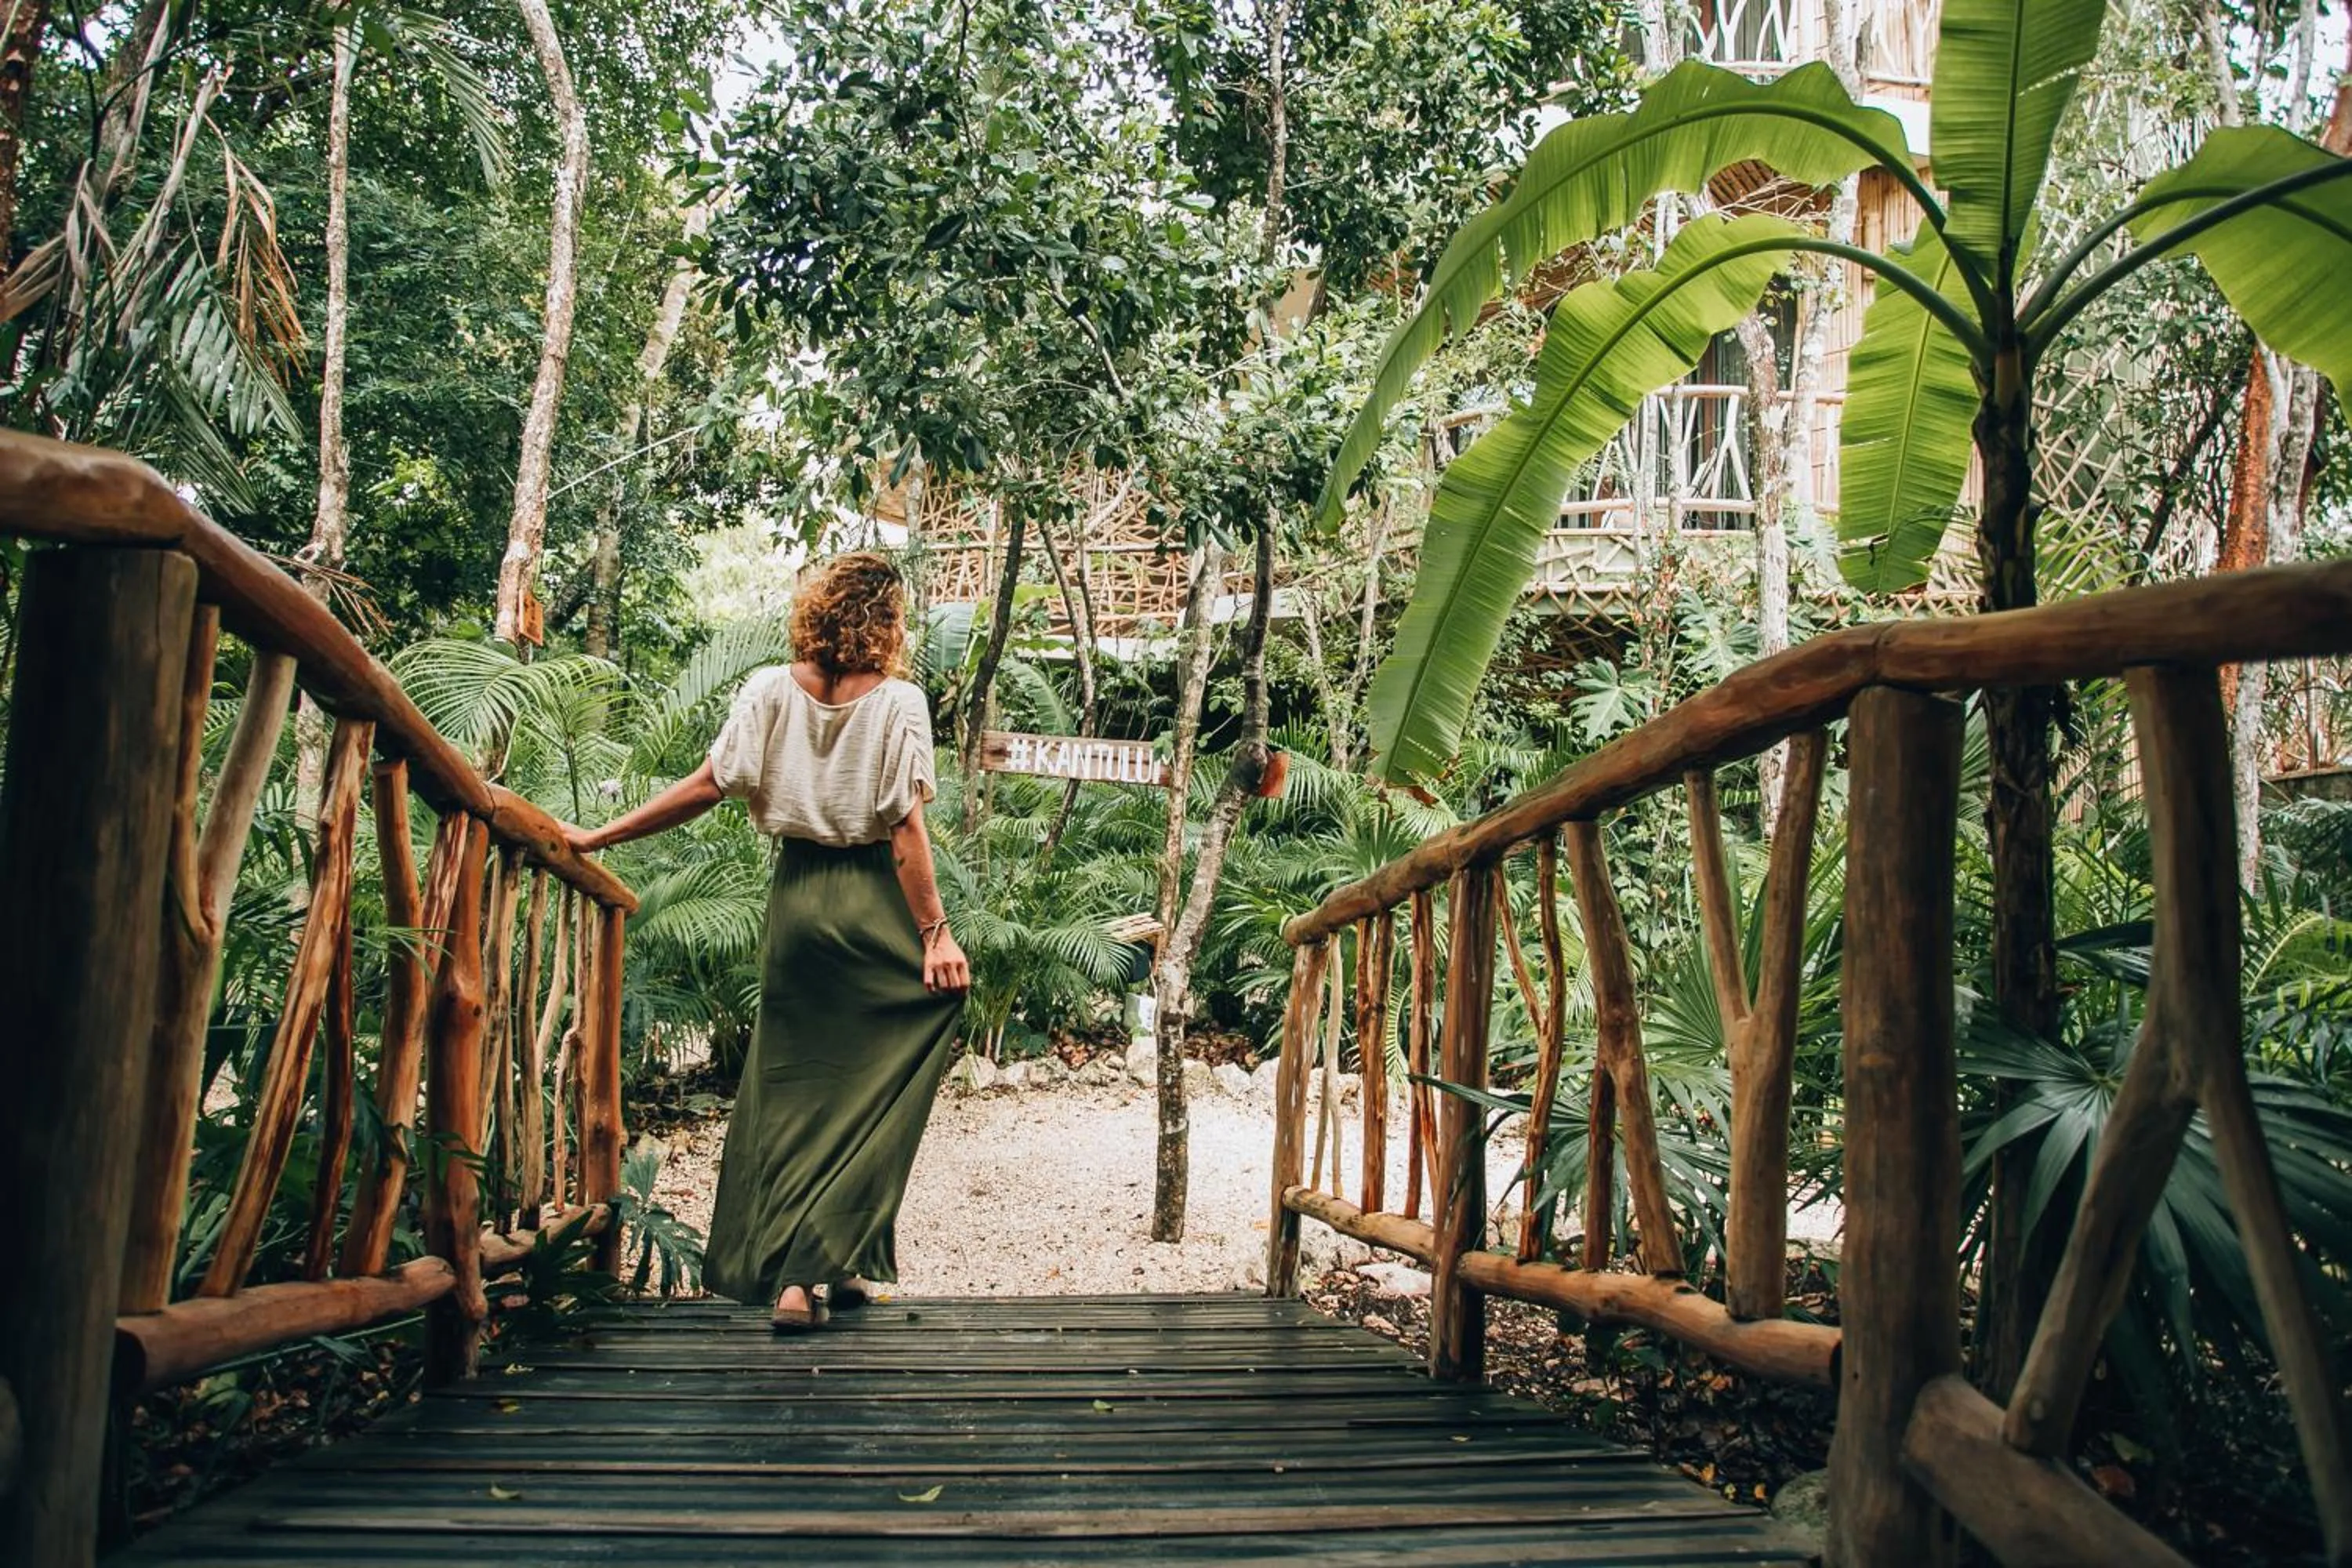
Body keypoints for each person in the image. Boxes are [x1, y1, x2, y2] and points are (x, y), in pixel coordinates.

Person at [561, 552, 969, 1331]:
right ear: (885, 620)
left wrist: (602, 833)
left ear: (817, 611)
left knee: (794, 1087)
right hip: (871, 902)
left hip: (797, 903)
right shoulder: (901, 702)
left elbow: (706, 784)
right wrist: (936, 934)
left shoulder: (768, 691)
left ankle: (818, 1271)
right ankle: (812, 1259)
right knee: (876, 1070)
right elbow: (906, 830)